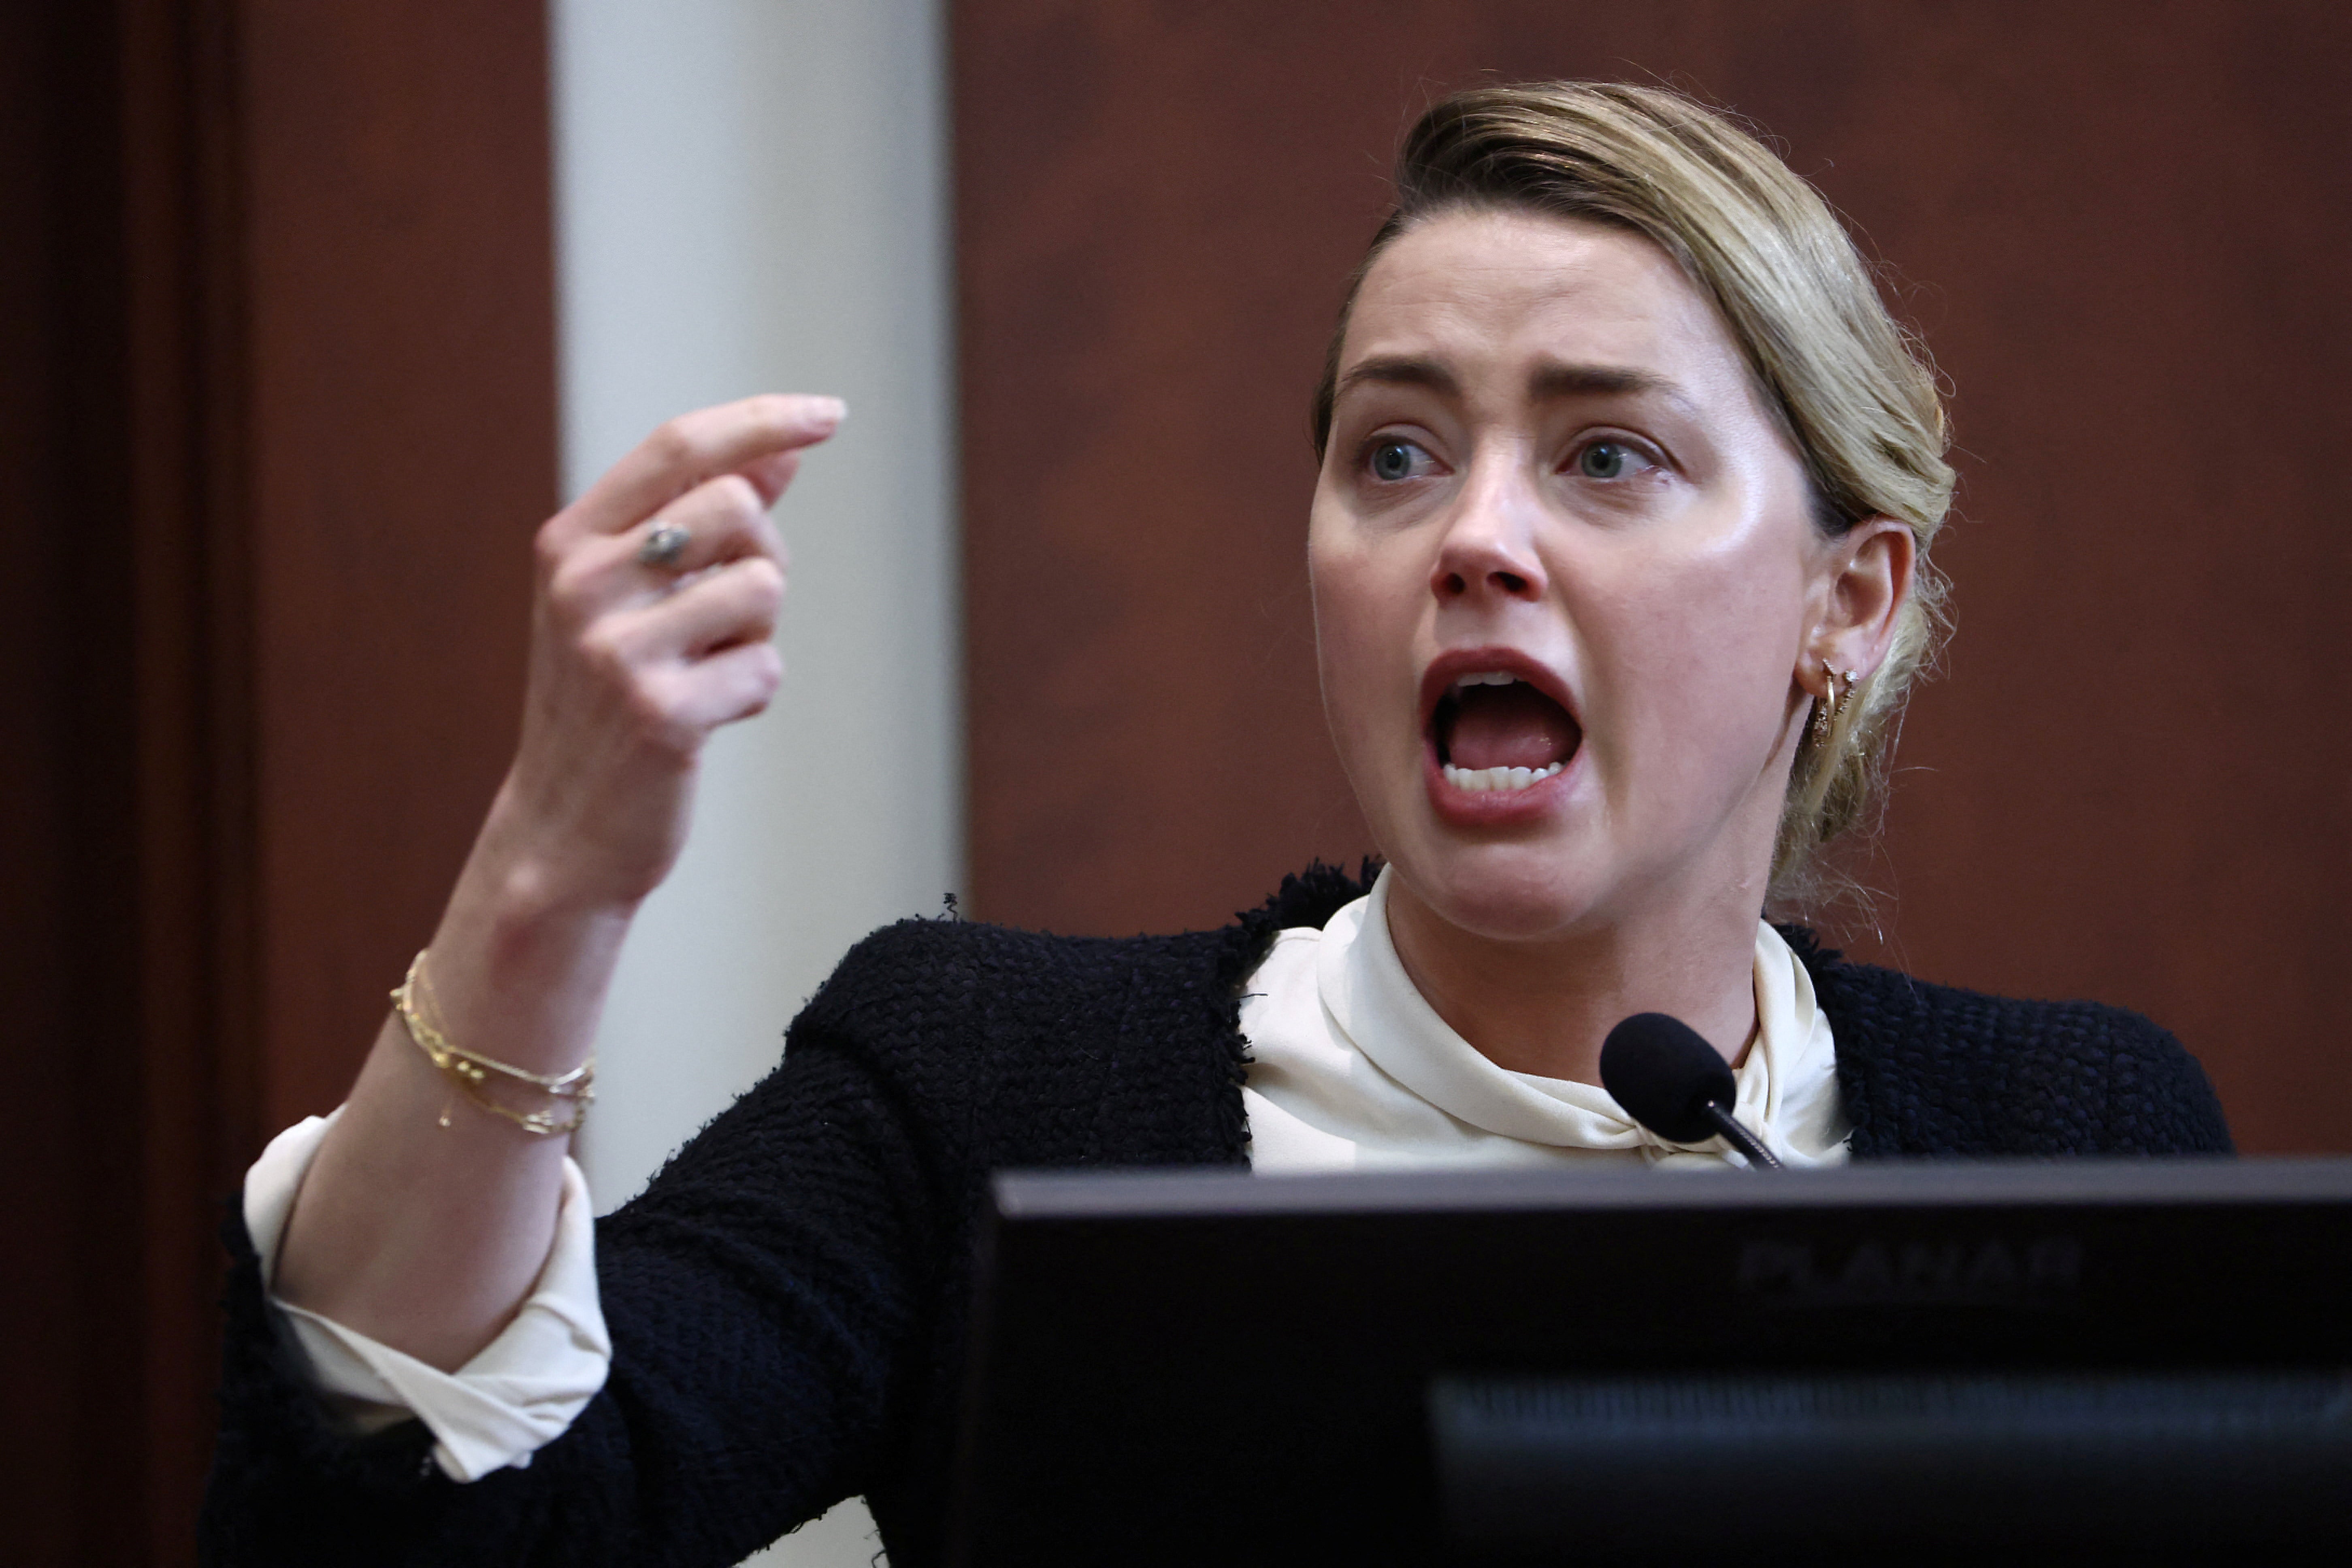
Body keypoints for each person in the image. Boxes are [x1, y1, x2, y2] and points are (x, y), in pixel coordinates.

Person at [200, 81, 2230, 1566]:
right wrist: (550, 873)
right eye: (1397, 451)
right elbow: (435, 1519)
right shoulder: (984, 1085)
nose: (1477, 537)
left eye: (1607, 454)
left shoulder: (2085, 1134)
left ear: (1842, 603)